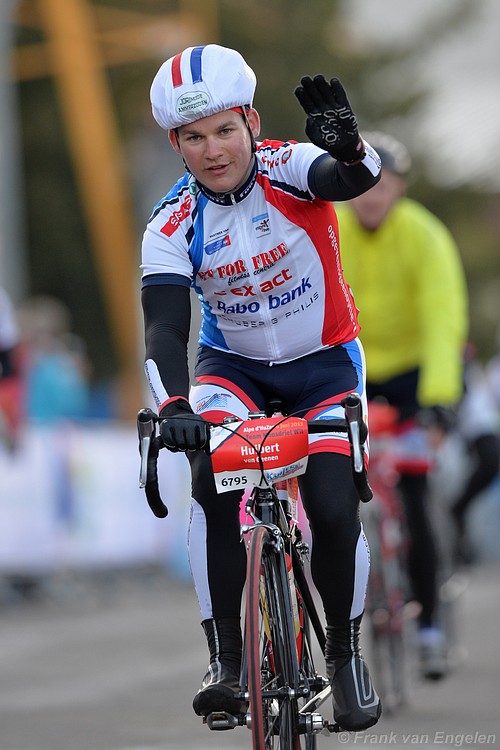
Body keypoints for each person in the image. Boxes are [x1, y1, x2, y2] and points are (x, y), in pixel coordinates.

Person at [141, 44, 382, 731]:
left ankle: (345, 655)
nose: (213, 150)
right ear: (176, 145)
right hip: (233, 370)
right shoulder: (170, 223)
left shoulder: (292, 167)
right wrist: (175, 405)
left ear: (251, 121)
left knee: (332, 505)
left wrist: (351, 148)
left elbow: (350, 179)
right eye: (194, 137)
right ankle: (226, 663)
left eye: (224, 129)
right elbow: (164, 329)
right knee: (210, 480)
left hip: (325, 363)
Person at [336, 132, 469, 679]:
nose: (371, 197)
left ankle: (430, 626)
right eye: (363, 185)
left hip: (415, 372)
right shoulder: (329, 226)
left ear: (400, 189)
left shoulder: (425, 234)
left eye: (383, 186)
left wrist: (439, 401)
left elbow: (443, 319)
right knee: (340, 488)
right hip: (354, 365)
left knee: (413, 496)